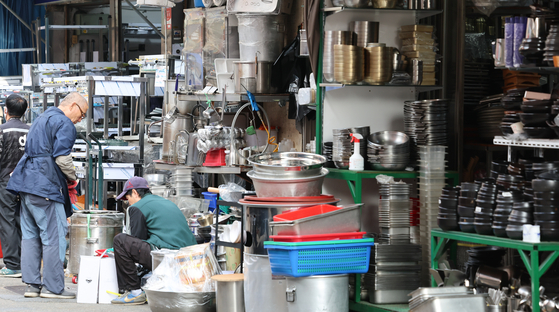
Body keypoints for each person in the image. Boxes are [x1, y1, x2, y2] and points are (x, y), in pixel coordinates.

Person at [7, 92, 88, 299]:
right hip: (45, 186)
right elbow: (62, 158)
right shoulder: (65, 124)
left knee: (31, 236)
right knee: (54, 237)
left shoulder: (41, 118)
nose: (81, 119)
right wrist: (73, 178)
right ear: (74, 106)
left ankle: (32, 286)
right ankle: (53, 287)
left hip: (26, 184)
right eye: (83, 114)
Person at [111, 176, 197, 305]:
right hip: (191, 257)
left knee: (121, 241)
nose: (128, 203)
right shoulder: (165, 202)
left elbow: (137, 239)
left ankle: (134, 292)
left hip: (169, 258)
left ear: (134, 192)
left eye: (127, 198)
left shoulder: (137, 207)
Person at [0, 94, 30, 278]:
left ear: (6, 111)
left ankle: (12, 264)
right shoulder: (31, 131)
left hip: (6, 183)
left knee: (8, 221)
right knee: (24, 220)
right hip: (27, 184)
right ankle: (26, 261)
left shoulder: (2, 131)